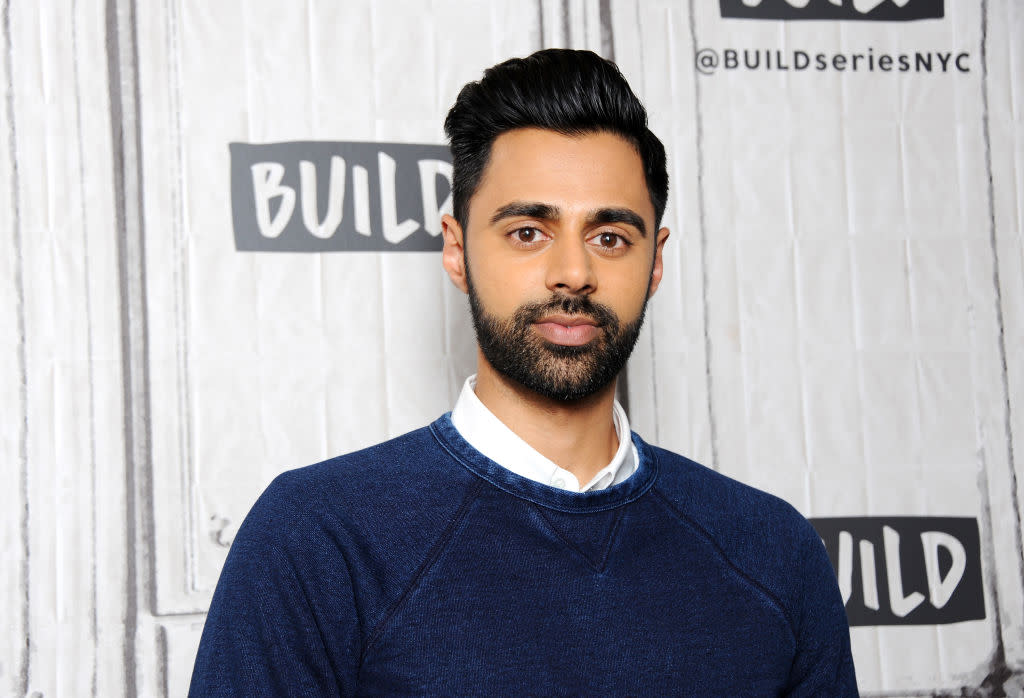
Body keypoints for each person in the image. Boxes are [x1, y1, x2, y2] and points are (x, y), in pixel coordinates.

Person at [189, 48, 858, 696]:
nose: (573, 272)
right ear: (456, 252)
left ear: (655, 262)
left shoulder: (774, 553)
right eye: (528, 232)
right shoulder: (318, 538)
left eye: (611, 237)